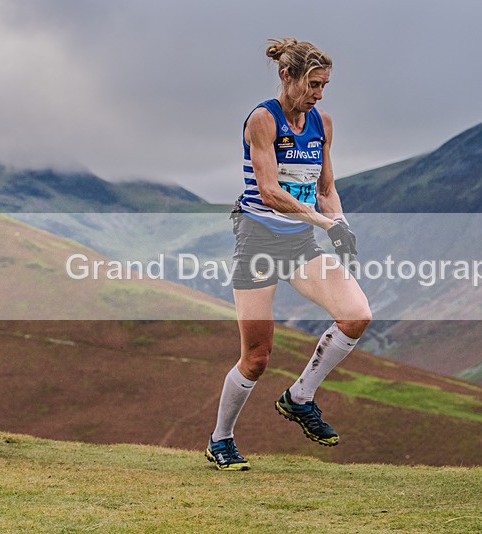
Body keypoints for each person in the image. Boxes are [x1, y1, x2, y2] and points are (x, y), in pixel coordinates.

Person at [205, 38, 371, 471]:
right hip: (257, 240)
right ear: (287, 75)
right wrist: (324, 223)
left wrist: (342, 226)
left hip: (300, 244)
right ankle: (220, 439)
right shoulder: (263, 119)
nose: (319, 93)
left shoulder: (323, 123)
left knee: (356, 314)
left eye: (325, 86)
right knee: (256, 358)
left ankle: (299, 397)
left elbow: (326, 187)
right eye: (313, 84)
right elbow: (270, 192)